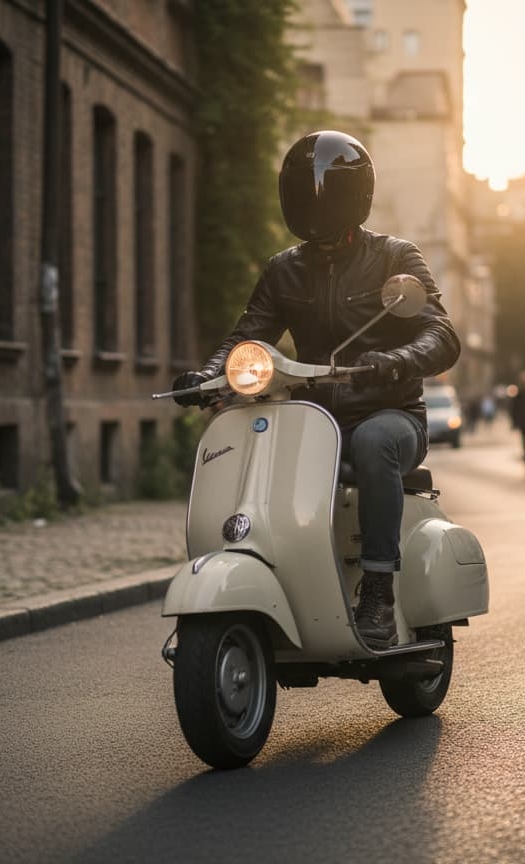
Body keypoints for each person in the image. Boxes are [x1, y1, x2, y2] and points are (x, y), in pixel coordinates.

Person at [170, 131, 460, 649]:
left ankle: (377, 587)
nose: (315, 202)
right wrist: (209, 375)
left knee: (373, 443)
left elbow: (441, 333)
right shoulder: (285, 269)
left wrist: (393, 362)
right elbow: (249, 335)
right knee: (252, 442)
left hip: (390, 413)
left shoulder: (395, 258)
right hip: (312, 418)